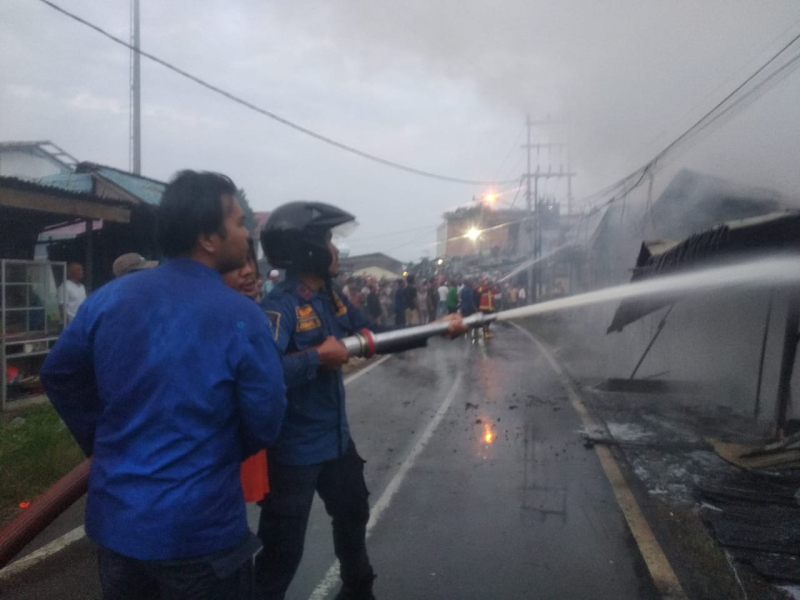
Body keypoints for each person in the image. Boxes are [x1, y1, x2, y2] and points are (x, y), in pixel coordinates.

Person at [40, 170, 287, 600]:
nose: (247, 233)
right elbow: (265, 420)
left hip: (117, 530)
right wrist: (213, 450)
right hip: (202, 537)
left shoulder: (108, 299)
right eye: (239, 222)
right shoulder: (241, 315)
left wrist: (104, 438)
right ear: (208, 238)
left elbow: (59, 374)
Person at [257, 201, 467, 600]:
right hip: (294, 451)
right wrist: (315, 358)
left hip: (337, 442)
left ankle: (358, 590)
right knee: (283, 550)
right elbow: (263, 373)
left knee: (353, 515)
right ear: (308, 249)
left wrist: (435, 328)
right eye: (328, 240)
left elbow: (374, 334)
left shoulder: (332, 298)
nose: (334, 249)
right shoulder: (280, 306)